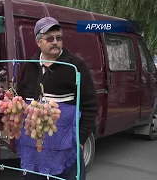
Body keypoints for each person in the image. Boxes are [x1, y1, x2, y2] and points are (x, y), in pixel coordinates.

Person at [16, 17, 98, 180]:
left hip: (66, 150)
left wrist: (80, 140)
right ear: (38, 42)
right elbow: (20, 98)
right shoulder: (30, 65)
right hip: (35, 149)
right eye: (50, 38)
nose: (55, 42)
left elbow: (90, 106)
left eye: (59, 38)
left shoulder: (76, 66)